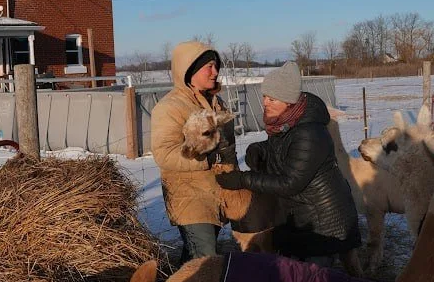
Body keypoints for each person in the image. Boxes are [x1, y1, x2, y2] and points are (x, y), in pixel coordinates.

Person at [216, 61, 361, 266]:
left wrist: (242, 179)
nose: (265, 102)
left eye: (273, 99)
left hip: (322, 221)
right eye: (265, 96)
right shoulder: (286, 124)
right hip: (301, 215)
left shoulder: (309, 133)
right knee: (298, 276)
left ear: (289, 102)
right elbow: (281, 148)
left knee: (315, 281)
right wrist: (259, 149)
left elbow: (290, 183)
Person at [151, 41, 235, 264]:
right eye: (208, 66)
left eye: (216, 66)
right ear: (189, 69)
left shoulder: (218, 104)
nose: (215, 72)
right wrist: (205, 158)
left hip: (216, 193)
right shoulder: (170, 107)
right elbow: (164, 153)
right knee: (205, 259)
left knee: (194, 257)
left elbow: (228, 148)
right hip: (189, 197)